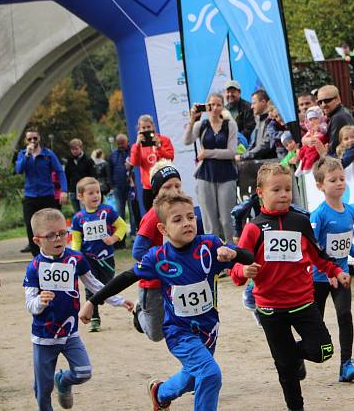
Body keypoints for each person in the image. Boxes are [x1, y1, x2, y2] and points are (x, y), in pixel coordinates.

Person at [81, 193, 253, 411]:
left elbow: (248, 257)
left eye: (191, 217)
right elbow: (126, 278)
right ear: (163, 229)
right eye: (178, 219)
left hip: (209, 329)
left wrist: (233, 253)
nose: (187, 223)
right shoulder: (157, 257)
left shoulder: (210, 245)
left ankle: (160, 393)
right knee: (210, 374)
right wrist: (93, 301)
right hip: (178, 332)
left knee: (192, 378)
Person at [231, 163, 351, 411]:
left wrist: (336, 271)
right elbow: (236, 271)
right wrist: (243, 270)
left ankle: (293, 354)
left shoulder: (300, 221)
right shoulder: (253, 228)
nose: (284, 194)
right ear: (260, 192)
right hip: (270, 308)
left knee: (323, 350)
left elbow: (318, 256)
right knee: (287, 373)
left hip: (303, 303)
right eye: (276, 189)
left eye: (288, 189)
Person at [24, 208, 132, 411]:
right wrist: (40, 301)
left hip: (70, 333)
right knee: (43, 388)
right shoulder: (34, 267)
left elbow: (95, 285)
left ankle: (63, 381)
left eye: (62, 233)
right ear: (37, 240)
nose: (59, 238)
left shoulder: (76, 259)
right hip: (44, 337)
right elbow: (30, 304)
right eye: (51, 235)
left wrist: (118, 300)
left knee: (84, 372)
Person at [131, 161, 199, 342]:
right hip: (152, 284)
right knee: (155, 334)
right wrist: (162, 262)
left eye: (177, 185)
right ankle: (139, 311)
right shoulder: (154, 215)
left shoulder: (185, 210)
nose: (174, 191)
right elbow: (138, 251)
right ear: (157, 191)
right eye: (167, 187)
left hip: (175, 280)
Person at [310, 157, 354, 382]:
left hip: (341, 275)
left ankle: (346, 364)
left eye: (342, 179)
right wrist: (328, 269)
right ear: (320, 186)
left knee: (345, 315)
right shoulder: (319, 215)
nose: (339, 183)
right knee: (315, 323)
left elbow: (345, 243)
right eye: (333, 180)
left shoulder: (350, 212)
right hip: (318, 277)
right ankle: (296, 357)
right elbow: (312, 247)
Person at [70, 177, 128, 332]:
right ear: (80, 197)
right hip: (88, 259)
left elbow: (122, 226)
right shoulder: (78, 218)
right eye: (91, 193)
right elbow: (76, 240)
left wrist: (114, 238)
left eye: (97, 192)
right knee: (90, 287)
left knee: (107, 285)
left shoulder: (107, 211)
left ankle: (101, 297)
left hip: (107, 259)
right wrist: (75, 256)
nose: (96, 195)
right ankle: (94, 317)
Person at [184, 93, 239, 241]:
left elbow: (231, 152)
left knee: (227, 220)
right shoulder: (201, 125)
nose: (214, 108)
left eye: (218, 105)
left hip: (226, 174)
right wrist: (192, 119)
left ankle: (231, 250)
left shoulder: (230, 125)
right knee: (210, 220)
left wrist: (208, 153)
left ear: (222, 107)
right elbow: (187, 141)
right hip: (205, 175)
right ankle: (213, 253)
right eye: (211, 105)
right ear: (207, 106)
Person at [16, 129, 67, 256]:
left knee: (50, 225)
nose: (32, 141)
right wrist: (27, 155)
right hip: (30, 196)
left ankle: (54, 252)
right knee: (30, 225)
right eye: (30, 139)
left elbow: (60, 172)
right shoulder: (23, 154)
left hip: (47, 195)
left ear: (39, 138)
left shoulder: (48, 154)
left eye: (35, 138)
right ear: (26, 141)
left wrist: (64, 190)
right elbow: (19, 170)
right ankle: (36, 256)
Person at [129, 114, 175, 211]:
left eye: (148, 127)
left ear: (153, 126)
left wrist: (158, 146)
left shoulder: (164, 140)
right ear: (139, 130)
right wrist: (137, 145)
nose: (146, 130)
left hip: (164, 185)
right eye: (143, 128)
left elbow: (170, 158)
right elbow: (134, 162)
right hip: (148, 188)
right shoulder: (137, 146)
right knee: (152, 217)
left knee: (168, 214)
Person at [317, 85, 354, 156]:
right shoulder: (338, 114)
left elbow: (333, 149)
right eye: (320, 102)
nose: (323, 104)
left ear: (338, 99)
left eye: (327, 100)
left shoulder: (338, 117)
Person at [107, 134, 133, 232]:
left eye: (122, 143)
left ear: (127, 142)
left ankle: (134, 233)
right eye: (118, 143)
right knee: (119, 212)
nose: (121, 145)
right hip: (118, 187)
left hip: (131, 186)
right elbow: (109, 171)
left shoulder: (132, 152)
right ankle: (121, 236)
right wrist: (112, 185)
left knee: (132, 212)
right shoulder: (112, 155)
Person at [64, 138, 96, 214]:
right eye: (72, 149)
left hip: (85, 190)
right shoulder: (69, 161)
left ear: (81, 148)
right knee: (77, 212)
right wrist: (67, 190)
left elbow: (93, 176)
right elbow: (66, 176)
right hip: (73, 190)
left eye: (76, 149)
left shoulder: (88, 160)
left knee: (85, 211)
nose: (74, 151)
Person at [297, 106, 327, 171]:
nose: (313, 121)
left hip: (319, 143)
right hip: (312, 142)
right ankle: (302, 164)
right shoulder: (310, 129)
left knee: (310, 152)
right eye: (310, 119)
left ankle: (307, 166)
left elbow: (325, 129)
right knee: (302, 150)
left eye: (315, 118)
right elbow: (304, 137)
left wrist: (319, 127)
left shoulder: (323, 124)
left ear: (320, 118)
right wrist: (305, 139)